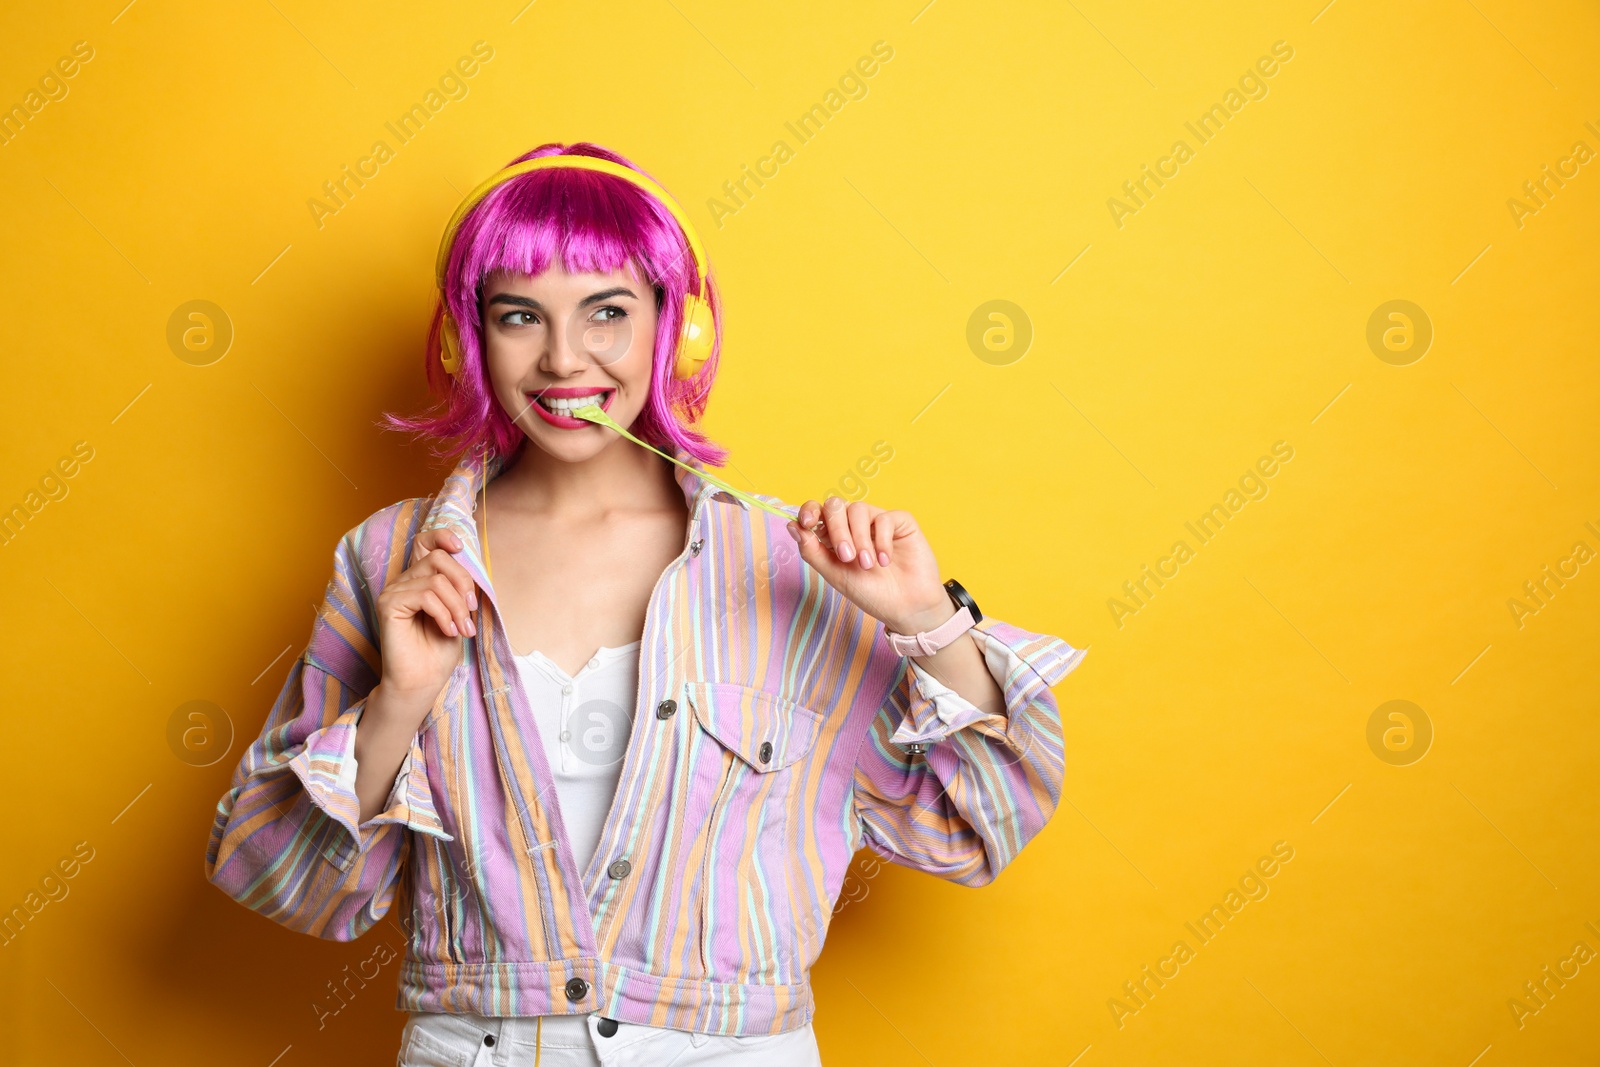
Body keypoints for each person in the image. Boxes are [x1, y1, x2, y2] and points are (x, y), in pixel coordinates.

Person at [205, 141, 1086, 1066]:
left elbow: (986, 822)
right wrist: (398, 703)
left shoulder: (794, 562)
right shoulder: (390, 557)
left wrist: (925, 623)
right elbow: (278, 877)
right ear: (471, 337)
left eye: (607, 312)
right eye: (518, 316)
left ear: (678, 328)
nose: (562, 359)